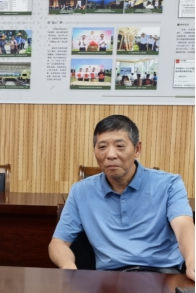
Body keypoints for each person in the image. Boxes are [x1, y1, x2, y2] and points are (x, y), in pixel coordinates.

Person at [49, 115, 195, 281]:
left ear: (137, 149)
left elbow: (184, 226)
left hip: (164, 276)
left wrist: (192, 261)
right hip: (108, 280)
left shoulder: (169, 184)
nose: (110, 155)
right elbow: (58, 243)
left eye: (120, 146)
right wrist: (69, 268)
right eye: (102, 147)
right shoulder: (81, 191)